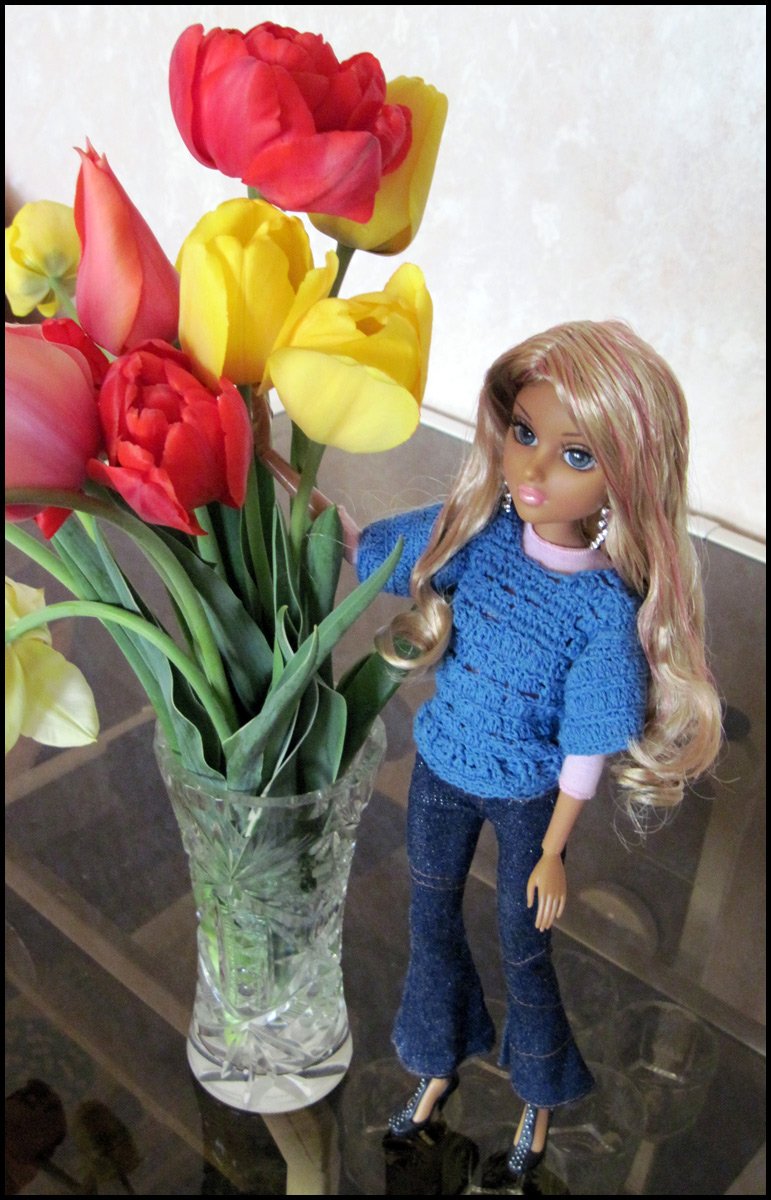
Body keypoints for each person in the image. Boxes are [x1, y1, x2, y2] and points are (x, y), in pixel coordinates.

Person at [264, 319, 722, 1184]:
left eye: (575, 455)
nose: (534, 468)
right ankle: (437, 1064)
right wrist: (275, 468)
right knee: (429, 919)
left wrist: (553, 849)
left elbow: (586, 742)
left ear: (627, 476)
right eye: (523, 433)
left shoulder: (601, 611)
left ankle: (538, 1099)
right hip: (439, 769)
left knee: (522, 944)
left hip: (528, 798)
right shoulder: (475, 536)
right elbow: (365, 550)